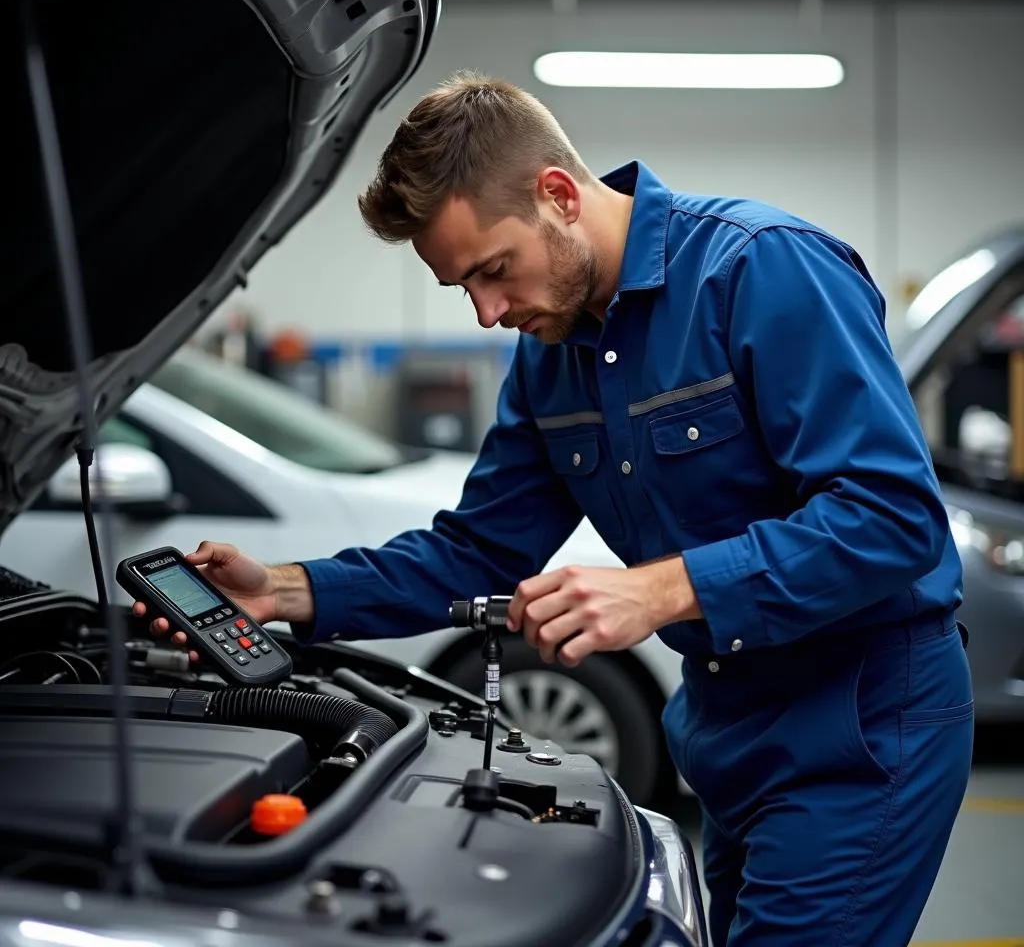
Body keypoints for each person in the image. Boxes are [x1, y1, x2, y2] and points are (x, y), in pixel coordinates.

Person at [134, 72, 974, 946]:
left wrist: (656, 591)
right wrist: (283, 589)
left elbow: (892, 516)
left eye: (494, 270)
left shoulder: (761, 270)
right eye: (464, 288)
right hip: (726, 730)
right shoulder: (550, 358)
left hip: (862, 725)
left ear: (560, 195)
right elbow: (476, 551)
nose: (489, 312)